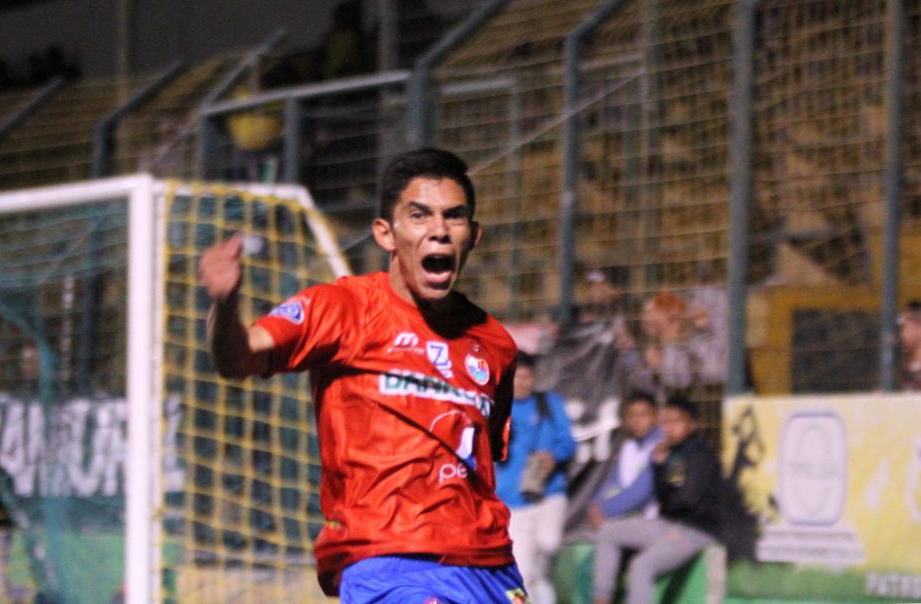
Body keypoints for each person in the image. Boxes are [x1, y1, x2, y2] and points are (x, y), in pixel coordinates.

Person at [199, 148, 528, 603]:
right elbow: (238, 359)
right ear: (386, 234)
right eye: (420, 215)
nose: (438, 230)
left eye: (454, 218)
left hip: (490, 564)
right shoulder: (343, 308)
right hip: (389, 559)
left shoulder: (495, 345)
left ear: (472, 236)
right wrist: (224, 303)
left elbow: (485, 456)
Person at [591, 395, 721, 604]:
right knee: (608, 531)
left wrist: (674, 524)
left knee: (642, 566)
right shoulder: (667, 453)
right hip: (669, 525)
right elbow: (666, 497)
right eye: (666, 421)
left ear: (691, 424)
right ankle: (601, 600)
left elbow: (688, 501)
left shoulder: (699, 455)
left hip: (695, 531)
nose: (669, 427)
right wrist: (659, 467)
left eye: (676, 421)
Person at [494, 351, 576, 604]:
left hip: (548, 494)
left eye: (527, 377)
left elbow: (569, 443)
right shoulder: (496, 408)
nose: (522, 383)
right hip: (512, 503)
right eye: (517, 377)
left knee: (549, 544)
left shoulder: (549, 403)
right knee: (525, 575)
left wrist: (554, 456)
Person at [588, 391, 662, 528]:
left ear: (656, 417)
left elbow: (641, 493)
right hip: (627, 518)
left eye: (643, 415)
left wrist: (603, 511)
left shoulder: (660, 447)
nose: (637, 421)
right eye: (632, 415)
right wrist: (595, 504)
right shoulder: (629, 446)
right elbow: (613, 481)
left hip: (655, 522)